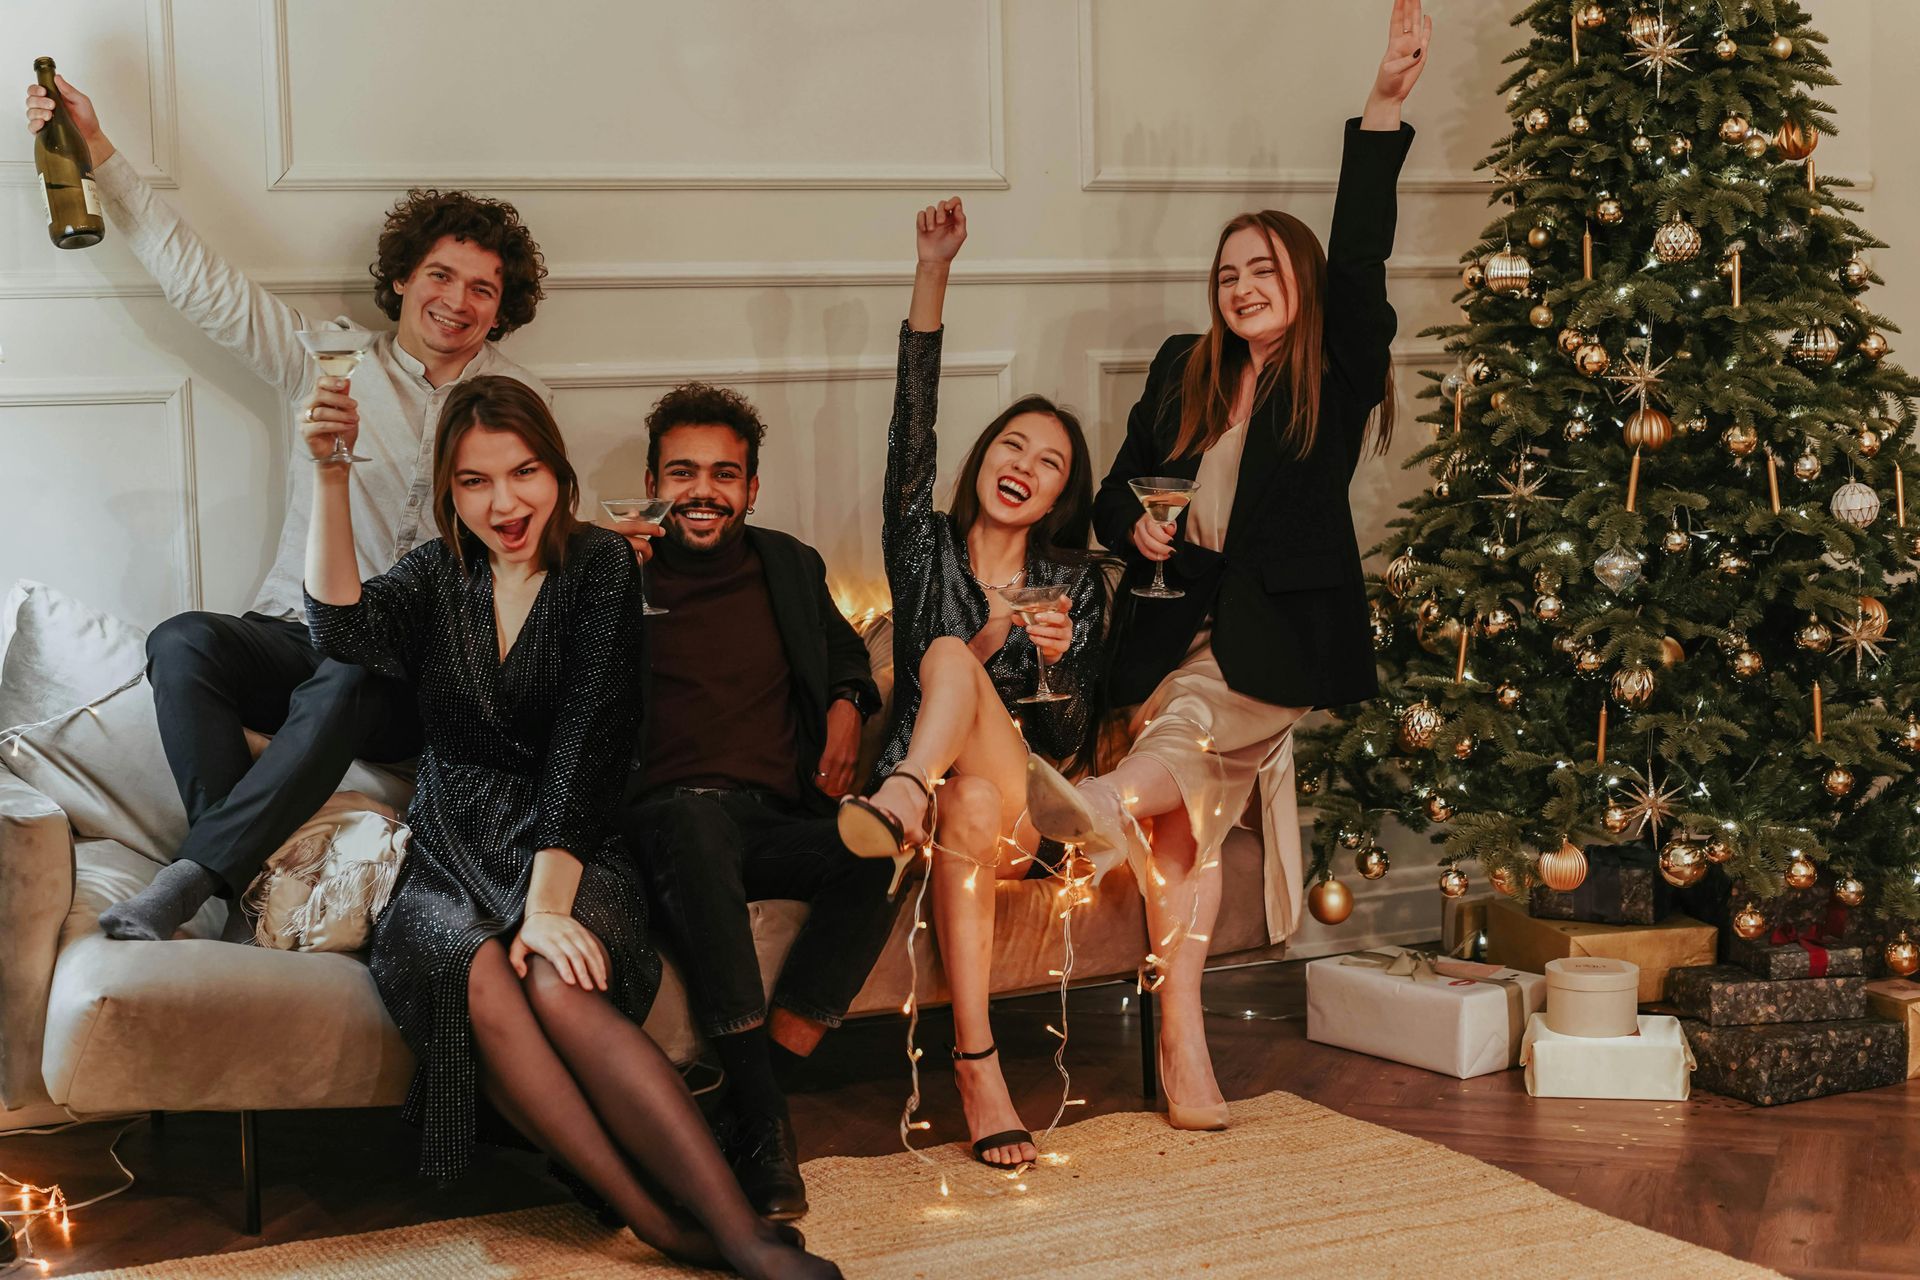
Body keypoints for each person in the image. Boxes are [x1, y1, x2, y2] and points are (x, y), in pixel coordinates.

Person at [303, 374, 837, 1279]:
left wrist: (548, 906)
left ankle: (736, 1230)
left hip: (570, 834)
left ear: (557, 471)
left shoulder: (598, 568)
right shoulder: (434, 575)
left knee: (556, 979)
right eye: (475, 481)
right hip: (448, 844)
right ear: (449, 491)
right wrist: (329, 471)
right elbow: (337, 629)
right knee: (470, 968)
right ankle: (658, 1224)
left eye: (524, 473)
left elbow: (591, 742)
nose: (504, 503)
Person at [25, 71, 551, 942]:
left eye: (482, 289)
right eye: (441, 275)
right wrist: (98, 150)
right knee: (183, 640)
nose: (457, 302)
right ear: (403, 279)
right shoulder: (326, 358)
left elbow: (533, 544)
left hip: (412, 675)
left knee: (355, 661)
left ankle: (196, 877)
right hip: (294, 633)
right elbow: (201, 282)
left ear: (502, 309)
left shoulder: (522, 403)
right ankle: (231, 878)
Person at [1026, 0, 1429, 1131]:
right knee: (1186, 830)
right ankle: (1184, 1043)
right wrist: (1137, 527)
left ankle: (1088, 805)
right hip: (1170, 625)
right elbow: (1116, 488)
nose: (1242, 286)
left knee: (1183, 743)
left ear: (1300, 278)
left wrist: (1382, 106)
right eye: (1227, 274)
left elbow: (1363, 251)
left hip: (1274, 641)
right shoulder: (1182, 366)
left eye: (1263, 268)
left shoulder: (1335, 370)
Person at [835, 198, 1106, 1170]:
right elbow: (911, 428)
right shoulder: (923, 548)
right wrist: (933, 270)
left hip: (1029, 816)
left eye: (1049, 462)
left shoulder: (1073, 582)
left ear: (1061, 491)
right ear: (984, 457)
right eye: (1011, 446)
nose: (1024, 465)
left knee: (951, 665)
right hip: (960, 812)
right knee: (968, 797)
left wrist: (1059, 661)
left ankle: (903, 788)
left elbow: (1068, 745)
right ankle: (978, 1068)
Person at [608, 384, 893, 1221]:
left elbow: (847, 655)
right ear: (653, 482)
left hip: (771, 819)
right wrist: (598, 583)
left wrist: (848, 703)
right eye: (683, 472)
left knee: (881, 848)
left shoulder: (789, 564)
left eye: (724, 474)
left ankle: (746, 1099)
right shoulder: (609, 571)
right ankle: (767, 1123)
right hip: (661, 819)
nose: (704, 491)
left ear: (752, 488)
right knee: (695, 820)